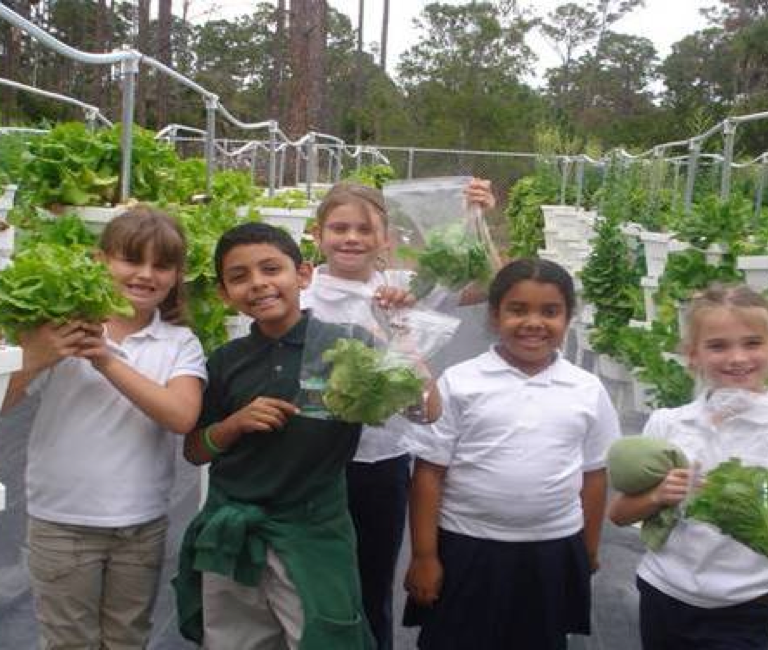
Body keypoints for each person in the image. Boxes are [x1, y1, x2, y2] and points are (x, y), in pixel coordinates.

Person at [173, 222, 440, 649]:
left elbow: (425, 411)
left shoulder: (346, 345)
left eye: (270, 269)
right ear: (225, 294)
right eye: (240, 277)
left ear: (303, 275)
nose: (258, 284)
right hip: (234, 530)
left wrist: (404, 345)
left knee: (326, 636)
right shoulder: (226, 360)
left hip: (314, 530)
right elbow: (194, 450)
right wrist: (234, 424)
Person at [300, 178, 496, 650]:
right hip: (309, 461)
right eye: (339, 227)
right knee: (308, 582)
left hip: (381, 461)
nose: (351, 238)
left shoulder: (404, 289)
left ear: (385, 240)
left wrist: (478, 219)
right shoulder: (302, 293)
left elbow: (491, 284)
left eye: (365, 229)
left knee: (372, 581)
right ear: (317, 234)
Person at [1, 206, 206, 649]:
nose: (146, 275)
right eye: (131, 260)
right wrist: (38, 354)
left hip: (140, 524)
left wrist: (106, 359)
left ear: (176, 275)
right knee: (69, 641)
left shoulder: (179, 342)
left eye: (162, 265)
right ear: (101, 262)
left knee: (127, 638)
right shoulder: (59, 330)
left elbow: (181, 415)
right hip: (63, 521)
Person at [403, 257, 621, 650]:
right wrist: (423, 555)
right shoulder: (461, 382)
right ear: (493, 315)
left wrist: (587, 548)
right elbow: (429, 473)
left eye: (550, 311)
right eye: (517, 310)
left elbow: (594, 474)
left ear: (569, 317)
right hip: (467, 545)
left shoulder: (586, 390)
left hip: (553, 549)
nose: (533, 322)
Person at [607, 282, 768, 650]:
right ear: (693, 355)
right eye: (718, 346)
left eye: (752, 343)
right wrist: (657, 495)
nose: (736, 358)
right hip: (663, 592)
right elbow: (619, 513)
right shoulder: (669, 424)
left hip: (746, 605)